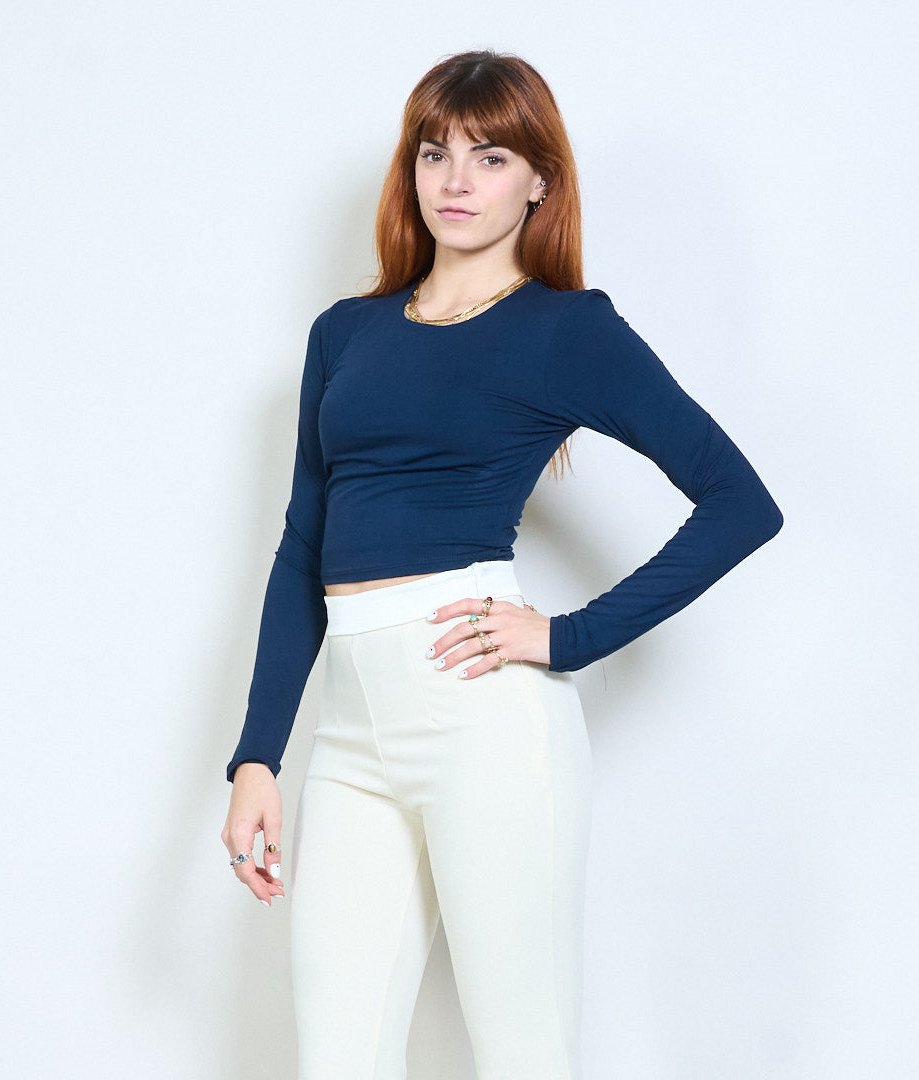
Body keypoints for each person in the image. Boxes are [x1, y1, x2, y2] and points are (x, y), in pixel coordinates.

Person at [221, 49, 782, 1080]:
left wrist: (569, 638)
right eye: (434, 153)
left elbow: (741, 503)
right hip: (348, 734)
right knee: (336, 1057)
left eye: (489, 157)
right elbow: (303, 547)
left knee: (522, 1052)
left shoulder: (567, 332)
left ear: (539, 181)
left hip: (485, 721)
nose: (455, 181)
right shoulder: (344, 334)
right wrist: (258, 755)